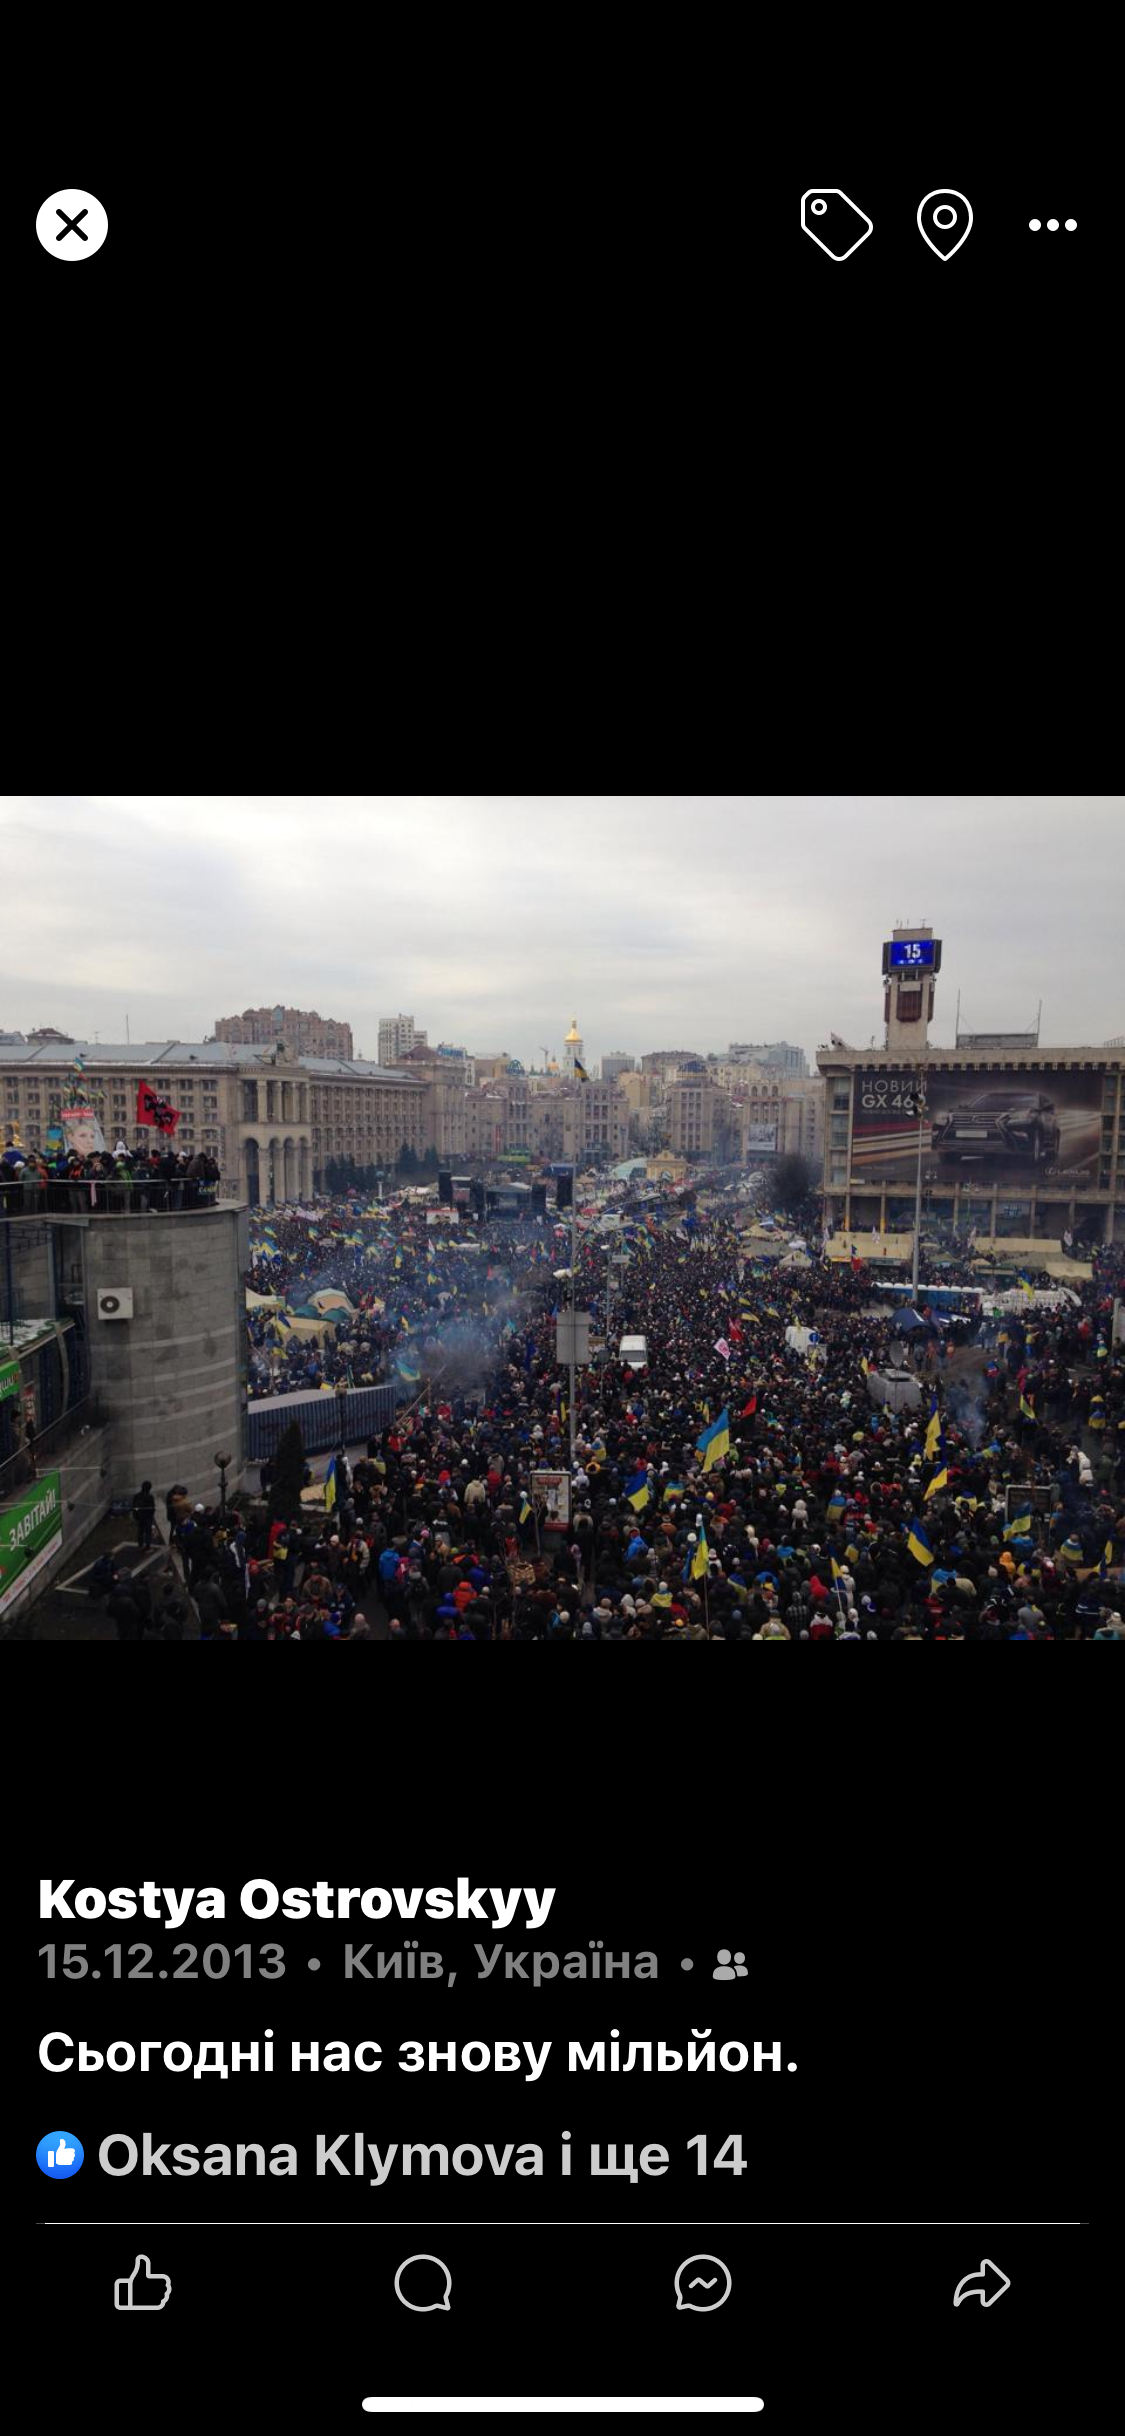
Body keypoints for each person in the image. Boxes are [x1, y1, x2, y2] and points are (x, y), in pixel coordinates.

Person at [132, 1479, 157, 1550]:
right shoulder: (150, 1497)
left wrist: (135, 1516)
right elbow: (152, 1508)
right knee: (148, 1532)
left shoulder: (137, 1496)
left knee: (140, 1531)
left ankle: (140, 1544)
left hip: (139, 1517)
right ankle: (147, 1546)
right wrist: (151, 1516)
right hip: (147, 1518)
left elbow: (134, 1507)